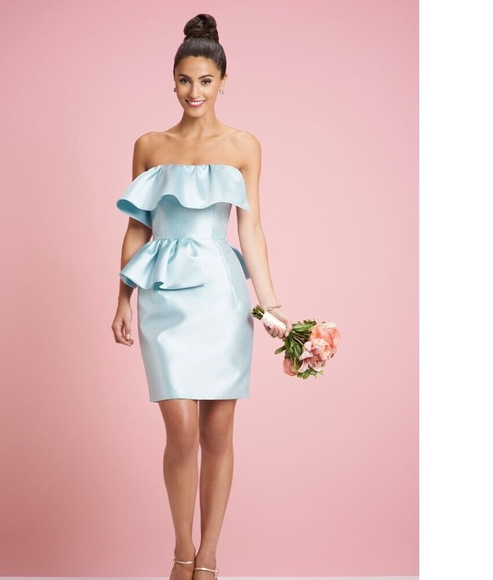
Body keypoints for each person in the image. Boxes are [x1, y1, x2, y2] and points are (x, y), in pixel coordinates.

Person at [112, 14, 292, 580]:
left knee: (217, 431)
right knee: (181, 429)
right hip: (163, 294)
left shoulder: (243, 146)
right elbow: (137, 226)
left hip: (221, 293)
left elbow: (251, 229)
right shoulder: (149, 145)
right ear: (172, 81)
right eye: (185, 80)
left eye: (206, 81)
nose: (195, 91)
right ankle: (181, 550)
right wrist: (122, 298)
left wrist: (270, 305)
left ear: (223, 82)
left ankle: (208, 558)